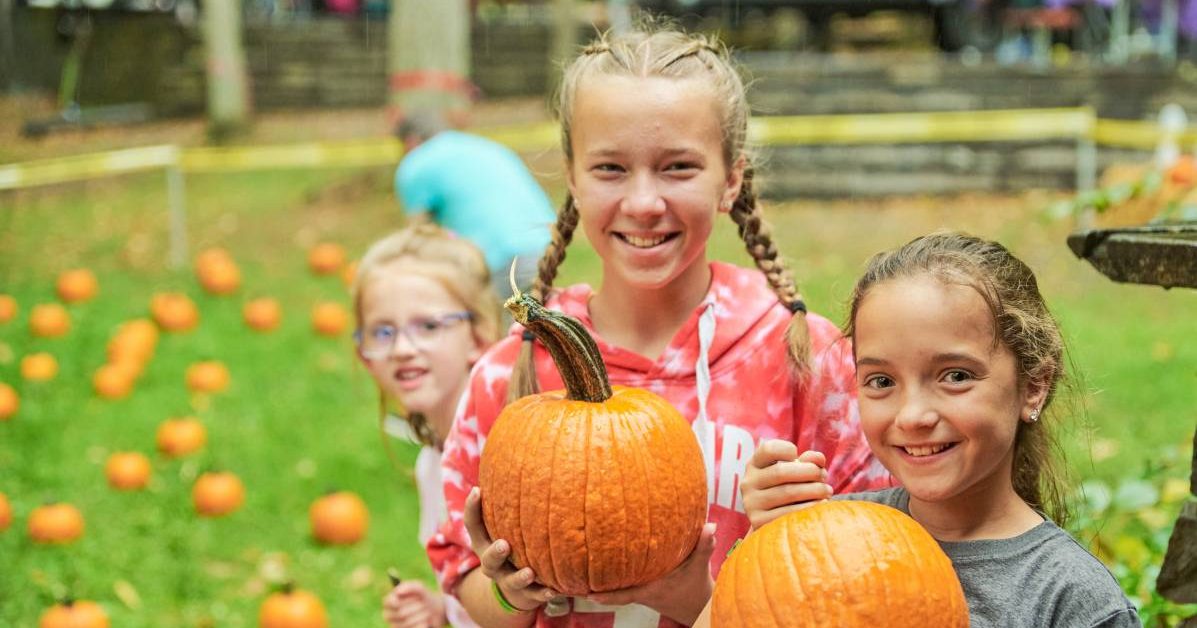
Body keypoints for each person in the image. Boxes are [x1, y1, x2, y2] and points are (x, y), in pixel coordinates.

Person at [427, 25, 892, 627]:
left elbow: (872, 588)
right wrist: (511, 594)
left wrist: (695, 597)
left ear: (730, 180)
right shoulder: (509, 372)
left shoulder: (809, 361)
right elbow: (465, 586)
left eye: (678, 168)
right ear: (572, 178)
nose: (644, 202)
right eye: (611, 169)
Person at [734, 232, 1140, 628]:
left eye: (955, 375)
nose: (912, 416)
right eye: (881, 381)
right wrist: (764, 547)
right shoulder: (827, 542)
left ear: (1033, 386)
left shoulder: (1071, 598)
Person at [351, 224, 501, 628]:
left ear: (478, 337)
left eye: (429, 326)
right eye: (383, 331)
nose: (402, 349)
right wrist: (442, 608)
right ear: (364, 352)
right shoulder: (431, 462)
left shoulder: (504, 453)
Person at [394, 109, 557, 301]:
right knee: (542, 325)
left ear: (410, 140)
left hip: (497, 256)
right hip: (545, 246)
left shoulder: (416, 162)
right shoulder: (483, 146)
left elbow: (418, 234)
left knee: (500, 327)